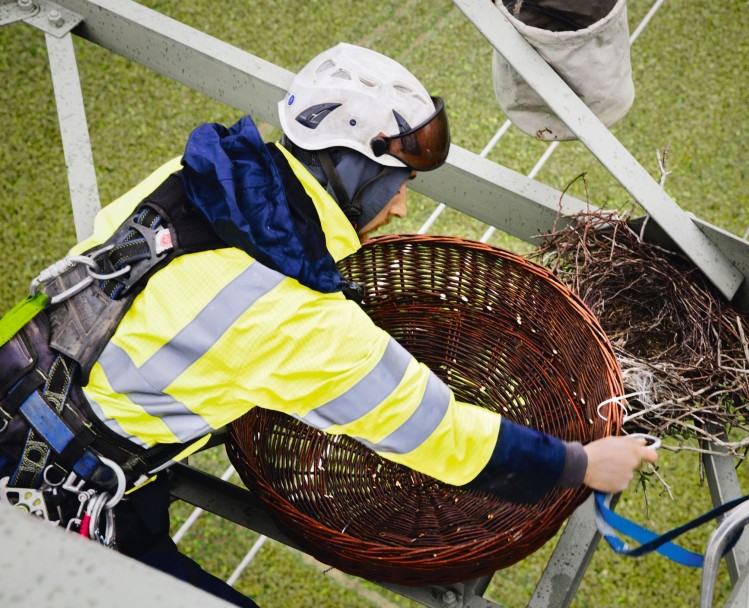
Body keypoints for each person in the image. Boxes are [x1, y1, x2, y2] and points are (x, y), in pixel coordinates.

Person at [0, 43, 657, 607]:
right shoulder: (296, 321)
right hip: (42, 510)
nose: (403, 205)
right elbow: (442, 435)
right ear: (352, 170)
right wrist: (583, 463)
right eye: (396, 181)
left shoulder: (195, 177)